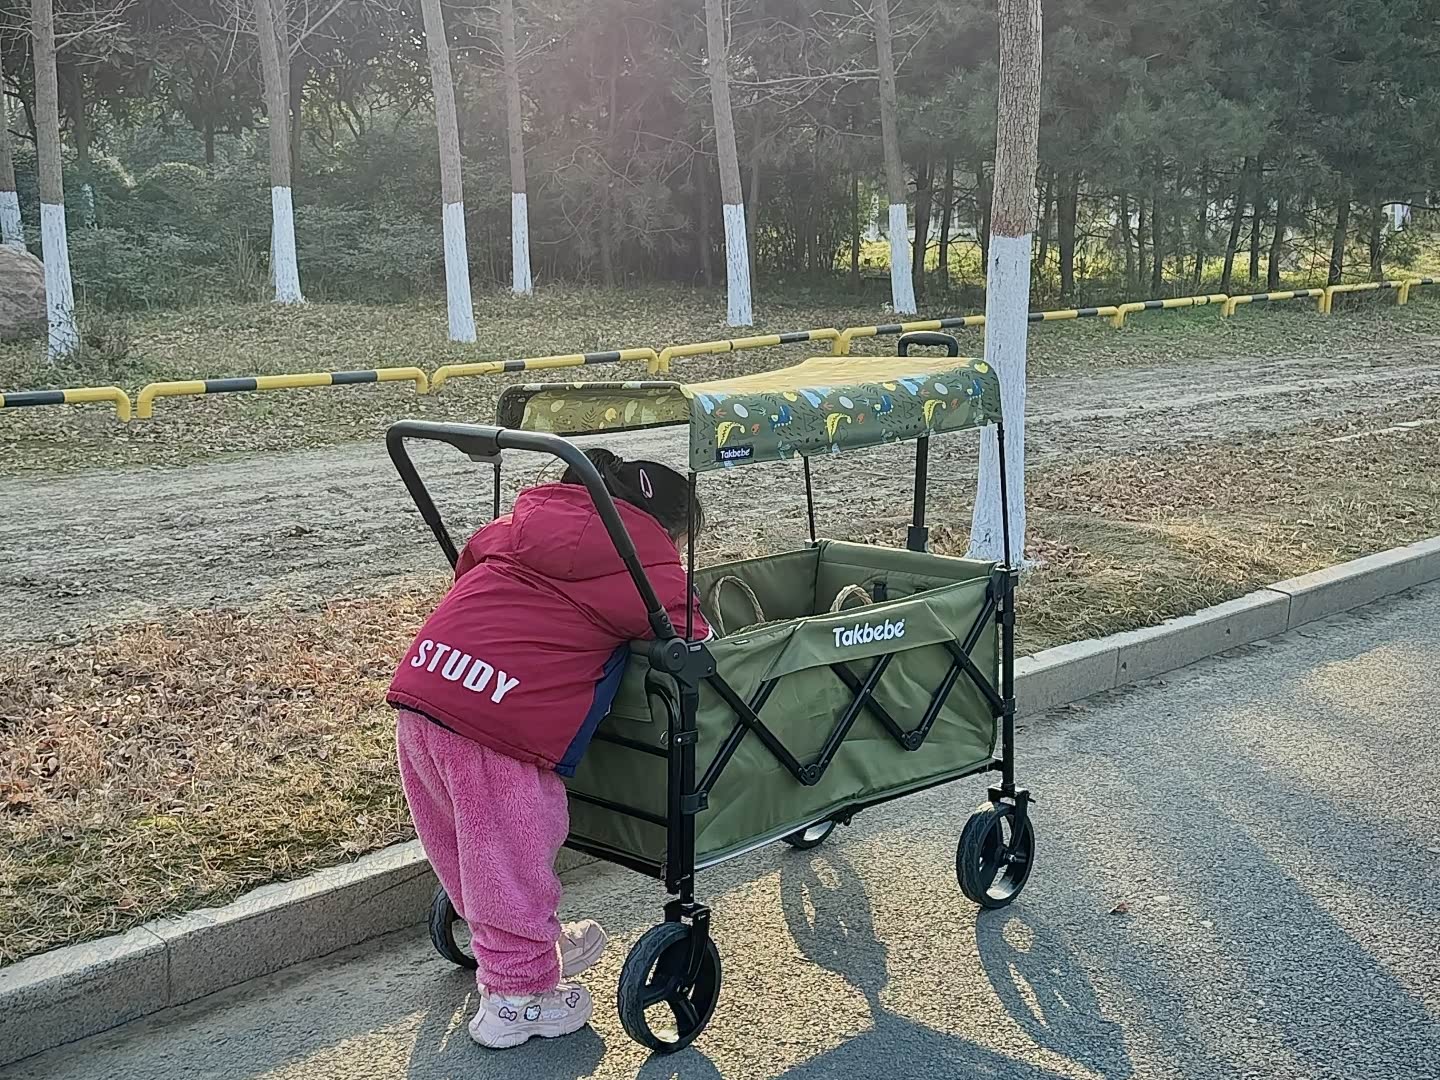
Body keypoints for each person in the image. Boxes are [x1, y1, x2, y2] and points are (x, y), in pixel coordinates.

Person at [387, 448, 708, 1050]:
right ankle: (518, 997)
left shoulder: (515, 529)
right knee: (510, 852)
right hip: (497, 722)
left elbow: (473, 575)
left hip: (425, 690)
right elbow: (695, 637)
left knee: (462, 840)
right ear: (665, 529)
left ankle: (517, 939)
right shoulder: (642, 563)